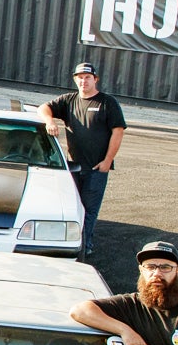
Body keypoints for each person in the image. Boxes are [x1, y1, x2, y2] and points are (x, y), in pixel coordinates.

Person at [41, 63, 127, 257]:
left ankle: (84, 248)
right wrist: (50, 121)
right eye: (80, 77)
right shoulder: (68, 101)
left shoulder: (107, 103)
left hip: (96, 168)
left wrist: (107, 161)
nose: (83, 81)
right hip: (72, 169)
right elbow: (43, 108)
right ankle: (69, 244)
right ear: (75, 79)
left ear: (95, 79)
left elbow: (118, 132)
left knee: (89, 210)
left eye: (87, 77)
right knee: (70, 208)